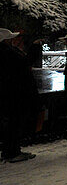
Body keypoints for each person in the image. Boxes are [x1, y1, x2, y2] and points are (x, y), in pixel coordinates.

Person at [0, 28, 39, 162]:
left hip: (9, 93)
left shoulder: (7, 52)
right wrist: (35, 49)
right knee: (14, 123)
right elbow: (24, 63)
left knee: (10, 123)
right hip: (14, 94)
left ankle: (9, 151)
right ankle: (12, 152)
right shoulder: (7, 53)